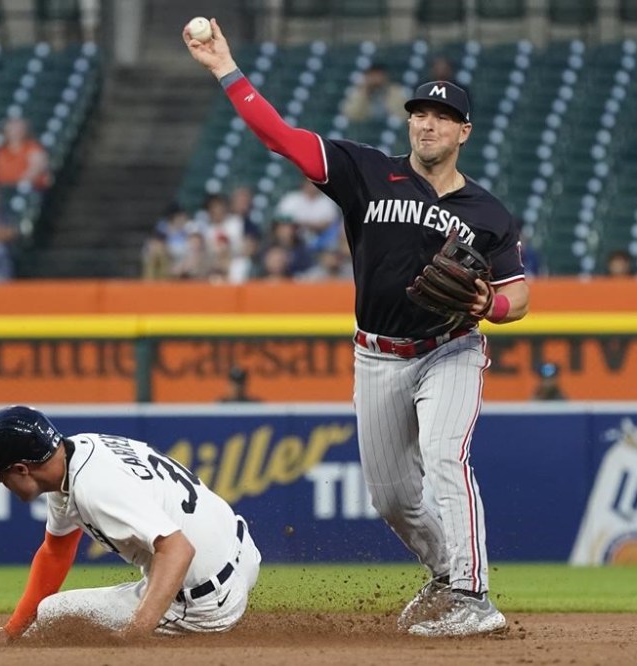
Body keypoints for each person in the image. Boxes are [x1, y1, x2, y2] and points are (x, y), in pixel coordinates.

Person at [185, 19, 529, 638]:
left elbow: (519, 296)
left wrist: (488, 305)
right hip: (377, 355)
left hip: (450, 348)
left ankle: (475, 597)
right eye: (419, 114)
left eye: (442, 117)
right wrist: (224, 70)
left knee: (446, 458)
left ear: (464, 132)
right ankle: (445, 575)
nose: (427, 124)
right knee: (393, 498)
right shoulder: (366, 171)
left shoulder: (488, 212)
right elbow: (283, 139)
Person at [0, 405, 261, 645]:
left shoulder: (94, 487)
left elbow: (178, 549)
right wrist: (11, 631)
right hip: (242, 555)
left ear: (21, 468)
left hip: (206, 600)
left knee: (54, 615)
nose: (2, 483)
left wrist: (133, 636)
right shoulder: (75, 455)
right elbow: (55, 552)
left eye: (1, 475)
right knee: (50, 618)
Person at [0, 117, 50, 189]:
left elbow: (36, 168)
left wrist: (17, 184)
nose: (15, 132)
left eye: (18, 129)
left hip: (27, 189)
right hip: (2, 189)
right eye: (12, 129)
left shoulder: (33, 148)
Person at [340, 63, 408, 123]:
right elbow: (351, 115)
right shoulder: (357, 92)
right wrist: (364, 92)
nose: (375, 79)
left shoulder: (395, 91)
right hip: (365, 127)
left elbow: (403, 114)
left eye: (378, 75)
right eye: (372, 75)